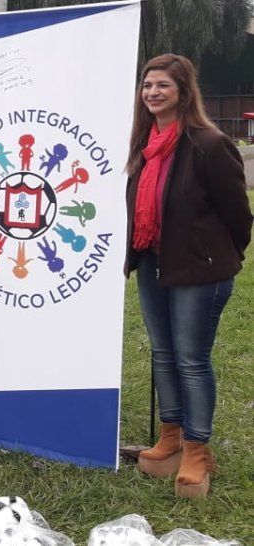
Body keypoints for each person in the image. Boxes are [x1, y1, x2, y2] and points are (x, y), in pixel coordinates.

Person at [125, 54, 251, 498]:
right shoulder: (145, 144)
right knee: (163, 354)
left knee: (191, 359)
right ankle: (171, 436)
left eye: (163, 85)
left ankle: (197, 450)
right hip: (152, 263)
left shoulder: (209, 144)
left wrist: (218, 256)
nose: (153, 92)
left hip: (200, 271)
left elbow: (239, 215)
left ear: (183, 92)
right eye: (147, 85)